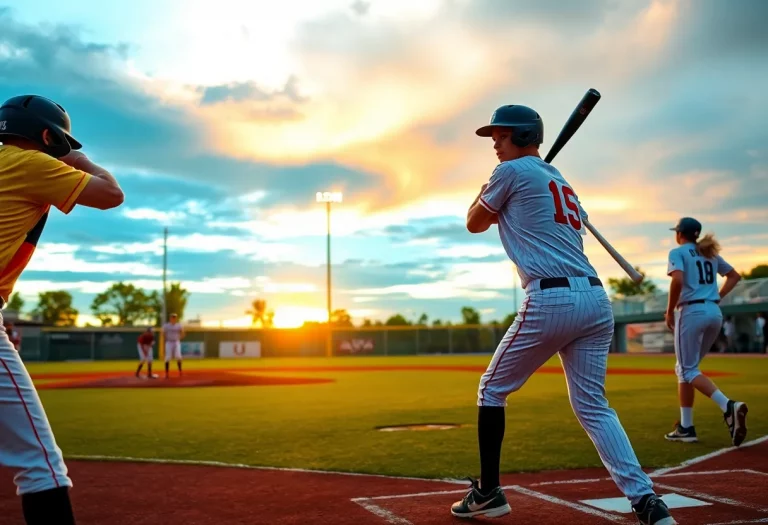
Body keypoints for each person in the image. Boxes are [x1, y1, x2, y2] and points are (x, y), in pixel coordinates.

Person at [450, 104, 676, 525]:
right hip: (594, 301)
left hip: (551, 299)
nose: (494, 144)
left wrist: (487, 187)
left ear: (521, 136)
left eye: (500, 136)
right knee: (593, 406)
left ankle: (488, 493)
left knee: (491, 390)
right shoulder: (560, 181)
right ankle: (647, 502)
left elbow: (474, 223)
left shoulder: (509, 174)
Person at [0, 94, 124, 524]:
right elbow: (112, 194)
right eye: (59, 143)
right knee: (41, 467)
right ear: (49, 136)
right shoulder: (32, 163)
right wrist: (78, 156)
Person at [663, 218, 746, 445]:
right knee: (686, 369)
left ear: (680, 234)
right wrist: (717, 296)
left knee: (687, 369)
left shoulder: (678, 252)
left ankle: (728, 406)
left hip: (691, 311)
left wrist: (669, 311)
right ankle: (686, 427)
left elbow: (677, 280)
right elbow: (734, 276)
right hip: (714, 311)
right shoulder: (708, 253)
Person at [163, 313, 185, 378]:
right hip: (169, 342)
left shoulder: (179, 325)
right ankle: (166, 373)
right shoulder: (166, 325)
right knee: (168, 357)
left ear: (176, 318)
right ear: (170, 318)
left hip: (176, 342)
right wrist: (166, 338)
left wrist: (179, 338)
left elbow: (183, 332)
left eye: (174, 317)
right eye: (172, 317)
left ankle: (180, 371)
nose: (173, 318)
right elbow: (163, 333)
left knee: (178, 356)